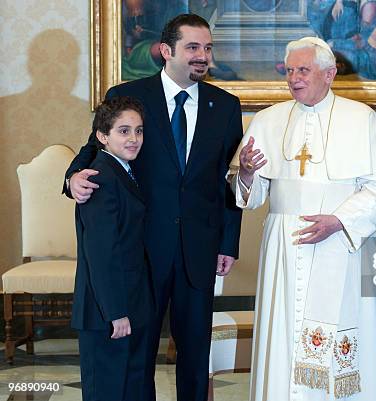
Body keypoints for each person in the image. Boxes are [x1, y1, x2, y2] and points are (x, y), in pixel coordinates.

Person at [64, 14, 243, 401]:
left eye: (208, 48)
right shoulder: (129, 94)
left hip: (199, 251)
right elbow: (94, 150)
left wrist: (229, 241)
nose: (203, 56)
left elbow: (227, 180)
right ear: (167, 51)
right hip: (142, 253)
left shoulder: (226, 106)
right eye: (193, 47)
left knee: (196, 355)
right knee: (138, 354)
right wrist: (71, 178)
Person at [230, 36, 376, 401]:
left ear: (330, 73)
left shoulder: (361, 119)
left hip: (343, 244)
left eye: (303, 70)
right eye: (289, 70)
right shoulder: (267, 120)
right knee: (284, 333)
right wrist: (244, 173)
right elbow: (251, 196)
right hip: (285, 247)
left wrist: (338, 221)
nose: (294, 78)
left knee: (341, 334)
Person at [71, 96, 153, 401]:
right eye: (123, 131)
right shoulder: (100, 178)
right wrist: (116, 313)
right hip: (106, 312)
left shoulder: (124, 171)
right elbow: (101, 254)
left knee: (130, 389)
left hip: (130, 303)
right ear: (102, 136)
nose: (133, 139)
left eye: (139, 131)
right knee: (107, 391)